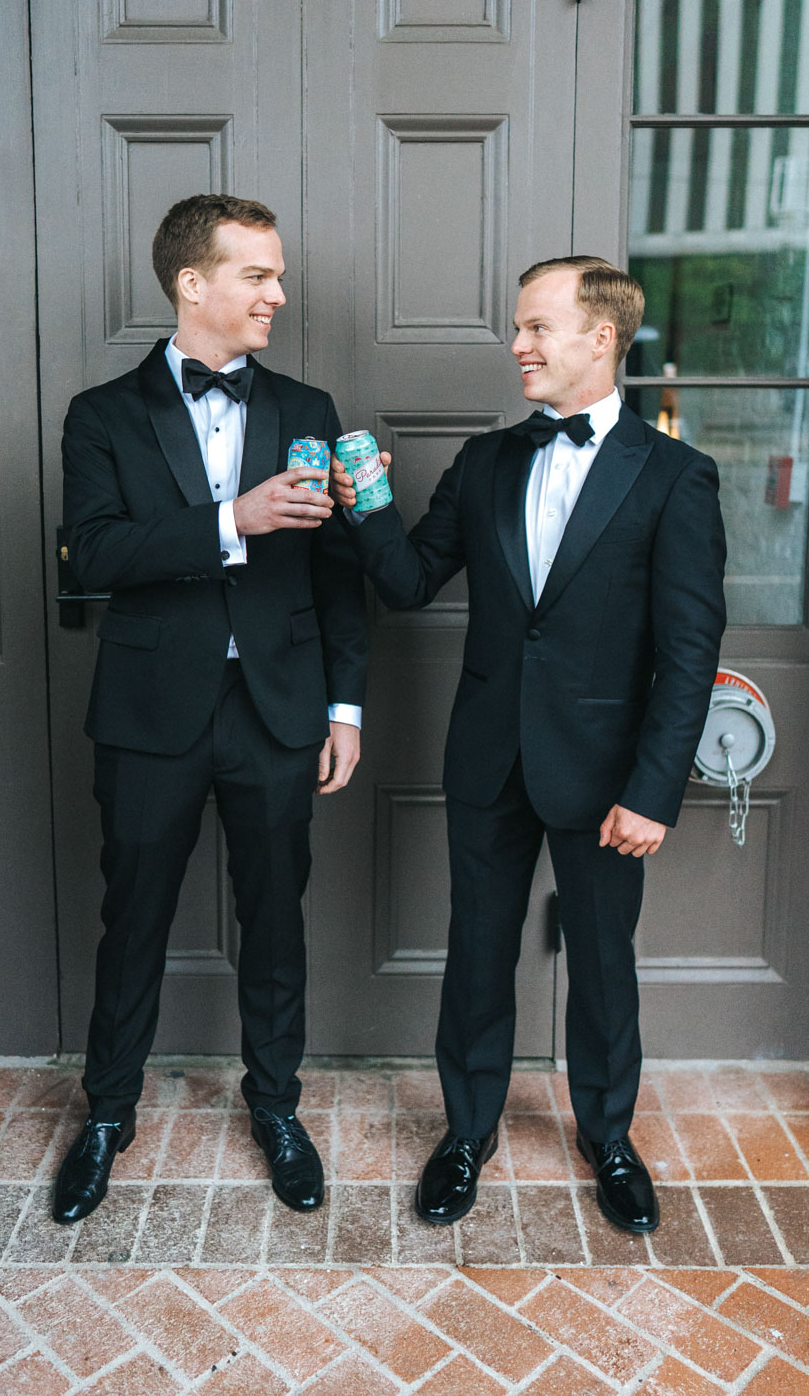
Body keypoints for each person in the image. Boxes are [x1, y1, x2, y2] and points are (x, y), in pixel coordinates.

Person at [332, 256, 726, 1234]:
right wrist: (368, 504)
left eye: (537, 327)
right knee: (476, 950)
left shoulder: (676, 477)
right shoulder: (486, 461)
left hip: (605, 777)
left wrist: (654, 790)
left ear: (601, 337)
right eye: (517, 326)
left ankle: (610, 1138)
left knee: (600, 959)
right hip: (488, 757)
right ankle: (466, 1132)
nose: (517, 344)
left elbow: (688, 652)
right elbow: (412, 581)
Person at [54, 193, 368, 1224]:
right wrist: (229, 519)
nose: (279, 292)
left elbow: (337, 578)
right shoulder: (101, 414)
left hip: (280, 711)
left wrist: (345, 706)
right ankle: (106, 1113)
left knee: (276, 919)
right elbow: (94, 555)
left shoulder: (310, 407)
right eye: (258, 274)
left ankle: (275, 1104)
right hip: (149, 712)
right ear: (194, 283)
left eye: (278, 275)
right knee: (131, 915)